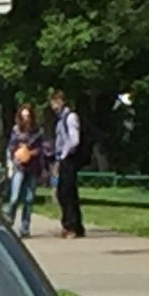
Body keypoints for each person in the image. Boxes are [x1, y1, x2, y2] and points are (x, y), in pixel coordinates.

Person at [5, 104, 47, 238]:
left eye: (28, 116)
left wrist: (31, 153)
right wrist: (16, 154)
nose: (26, 119)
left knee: (29, 199)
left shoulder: (37, 132)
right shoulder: (16, 130)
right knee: (15, 197)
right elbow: (11, 147)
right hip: (19, 167)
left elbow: (42, 148)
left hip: (32, 167)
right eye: (23, 116)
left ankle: (25, 228)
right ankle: (8, 222)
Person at [50, 90, 86, 238]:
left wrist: (64, 155)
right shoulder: (60, 120)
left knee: (67, 193)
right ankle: (75, 225)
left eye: (54, 102)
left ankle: (71, 226)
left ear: (61, 101)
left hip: (69, 158)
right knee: (65, 193)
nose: (52, 106)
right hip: (61, 158)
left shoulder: (70, 117)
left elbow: (74, 139)